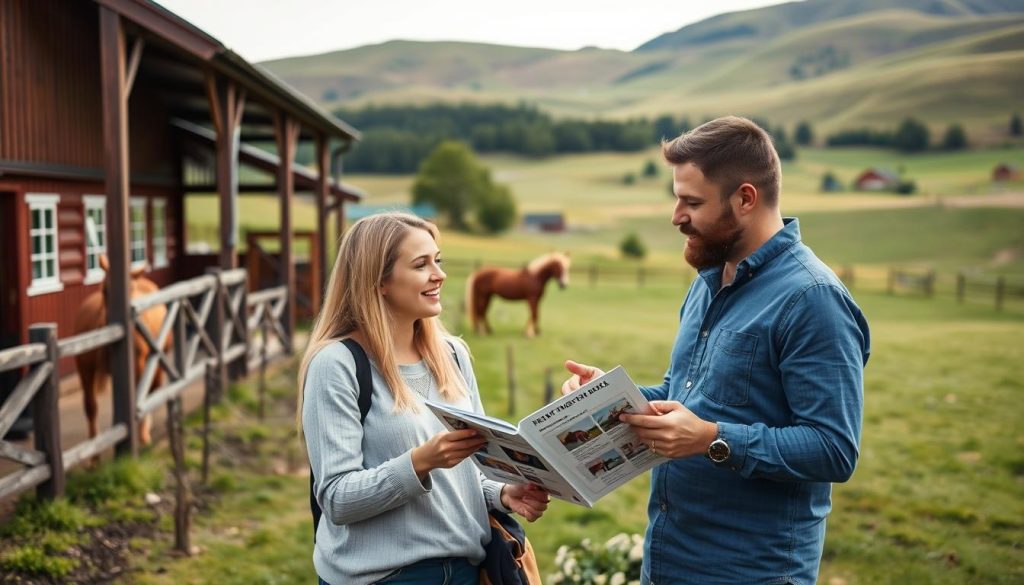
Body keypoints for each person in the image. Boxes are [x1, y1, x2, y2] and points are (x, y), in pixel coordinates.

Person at [561, 116, 870, 584]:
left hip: (749, 571)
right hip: (668, 560)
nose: (676, 216)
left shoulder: (812, 299)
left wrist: (711, 439)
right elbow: (686, 393)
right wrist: (609, 397)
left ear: (745, 198)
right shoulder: (710, 280)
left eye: (692, 202)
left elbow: (833, 448)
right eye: (676, 199)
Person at [298, 212, 549, 585]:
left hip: (466, 572)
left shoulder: (452, 355)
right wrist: (419, 463)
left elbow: (469, 471)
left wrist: (503, 494)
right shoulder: (337, 364)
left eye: (438, 260)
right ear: (379, 281)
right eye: (421, 264)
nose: (439, 274)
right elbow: (336, 498)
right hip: (383, 578)